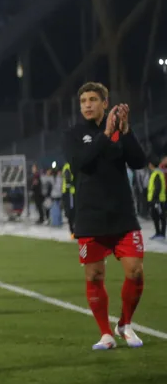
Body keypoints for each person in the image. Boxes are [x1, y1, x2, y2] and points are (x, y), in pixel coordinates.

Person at [63, 83, 147, 350]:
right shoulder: (75, 134)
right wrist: (105, 134)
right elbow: (81, 163)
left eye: (93, 100)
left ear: (105, 103)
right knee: (94, 277)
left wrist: (126, 131)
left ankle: (124, 324)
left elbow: (138, 161)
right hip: (90, 217)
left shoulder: (119, 131)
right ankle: (105, 334)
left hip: (123, 215)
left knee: (135, 271)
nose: (87, 105)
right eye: (83, 101)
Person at [146, 160, 165, 240]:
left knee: (161, 217)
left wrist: (154, 199)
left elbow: (157, 188)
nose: (148, 165)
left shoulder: (156, 174)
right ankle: (158, 233)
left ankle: (161, 234)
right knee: (155, 217)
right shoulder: (155, 173)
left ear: (152, 165)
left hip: (158, 200)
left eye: (149, 164)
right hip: (155, 200)